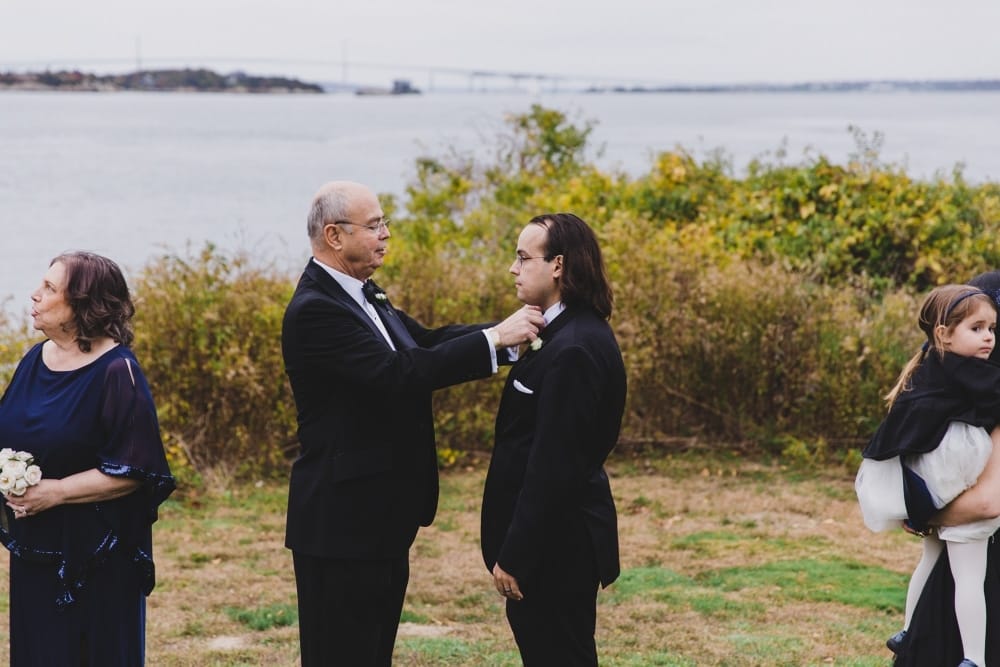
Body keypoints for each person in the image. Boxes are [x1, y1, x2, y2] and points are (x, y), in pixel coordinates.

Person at [281, 180, 546, 666]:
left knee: (373, 651)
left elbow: (423, 342)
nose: (386, 234)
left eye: (385, 222)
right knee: (341, 654)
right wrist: (491, 339)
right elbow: (395, 374)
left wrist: (508, 337)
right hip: (340, 521)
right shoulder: (315, 310)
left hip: (380, 515)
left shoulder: (363, 293)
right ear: (335, 236)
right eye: (375, 224)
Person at [0, 251, 176, 665]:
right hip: (36, 549)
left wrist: (56, 492)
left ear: (83, 304)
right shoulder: (32, 360)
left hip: (97, 552)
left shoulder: (118, 371)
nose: (35, 295)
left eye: (49, 289)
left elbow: (138, 470)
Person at [480, 213, 626, 665]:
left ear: (558, 265)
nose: (513, 268)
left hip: (555, 549)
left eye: (524, 258)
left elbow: (553, 466)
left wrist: (516, 554)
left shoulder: (575, 348)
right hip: (553, 542)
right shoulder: (560, 331)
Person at [856, 284, 1000, 667]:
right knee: (970, 571)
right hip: (958, 477)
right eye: (977, 328)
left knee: (931, 558)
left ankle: (907, 631)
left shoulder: (928, 365)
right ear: (944, 333)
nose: (988, 337)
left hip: (932, 482)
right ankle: (974, 658)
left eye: (992, 329)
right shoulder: (970, 371)